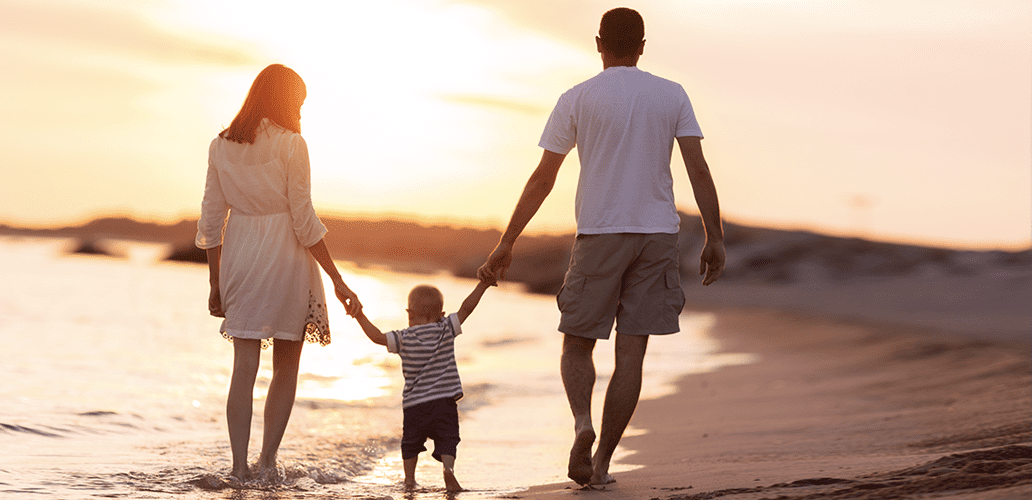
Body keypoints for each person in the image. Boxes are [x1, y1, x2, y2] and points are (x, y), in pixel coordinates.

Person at [477, 7, 726, 488]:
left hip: (599, 234)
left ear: (598, 42)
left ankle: (582, 425)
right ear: (643, 46)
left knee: (577, 343)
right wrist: (715, 236)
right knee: (631, 356)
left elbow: (543, 178)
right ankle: (604, 464)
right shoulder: (671, 94)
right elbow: (698, 168)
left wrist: (506, 242)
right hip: (657, 236)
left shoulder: (577, 98)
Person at [195, 63, 361, 482]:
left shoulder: (220, 146)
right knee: (286, 364)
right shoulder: (293, 144)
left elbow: (211, 222)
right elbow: (304, 221)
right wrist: (337, 278)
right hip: (284, 257)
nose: (301, 112)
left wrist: (215, 282)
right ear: (286, 101)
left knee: (243, 366)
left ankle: (237, 469)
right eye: (299, 103)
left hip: (240, 257)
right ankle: (266, 463)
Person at [350, 280, 495, 492]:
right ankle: (448, 470)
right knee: (448, 438)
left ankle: (409, 479)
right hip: (444, 402)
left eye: (410, 315)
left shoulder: (403, 337)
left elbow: (376, 337)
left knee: (410, 444)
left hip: (415, 406)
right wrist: (483, 285)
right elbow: (466, 308)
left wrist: (358, 315)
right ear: (441, 313)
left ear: (411, 313)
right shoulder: (446, 328)